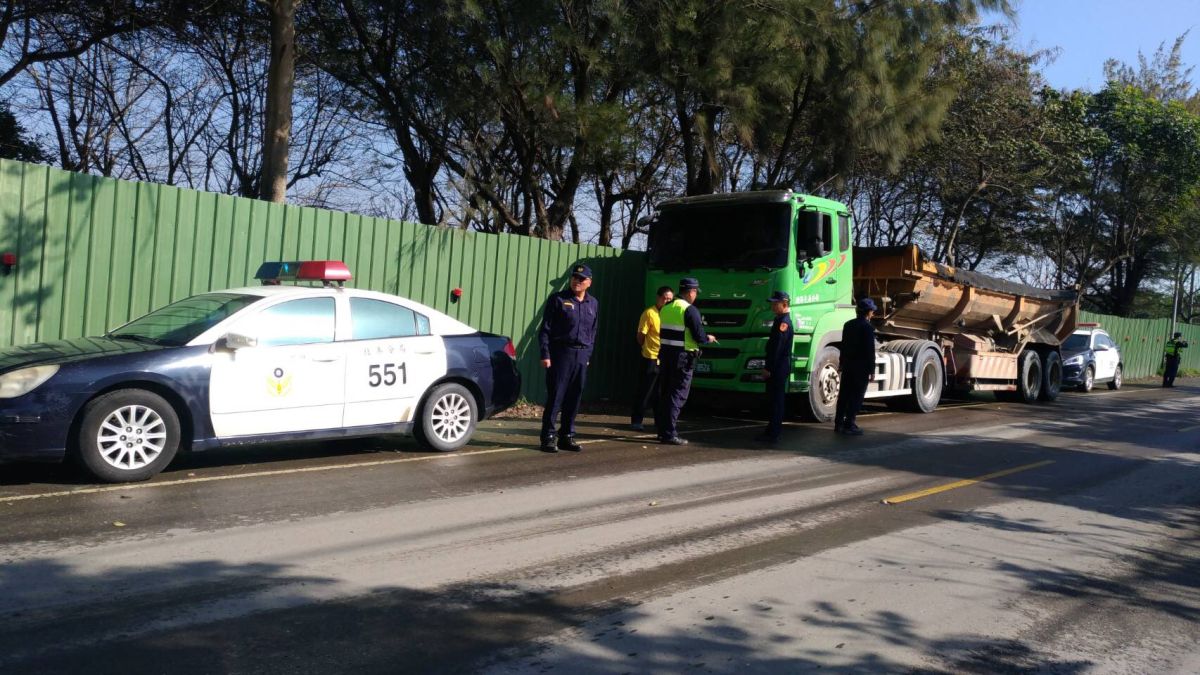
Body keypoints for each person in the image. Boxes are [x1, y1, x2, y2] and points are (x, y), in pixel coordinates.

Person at [538, 264, 599, 452]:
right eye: (574, 278)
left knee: (574, 397)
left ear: (589, 282)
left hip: (581, 355)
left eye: (581, 279)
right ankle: (548, 436)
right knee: (556, 396)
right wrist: (545, 354)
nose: (576, 282)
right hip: (561, 353)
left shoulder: (593, 303)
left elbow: (593, 332)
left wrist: (587, 355)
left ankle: (567, 435)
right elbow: (545, 330)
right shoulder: (558, 299)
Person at [655, 277, 718, 445]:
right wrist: (708, 338)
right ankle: (669, 433)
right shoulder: (690, 310)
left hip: (666, 355)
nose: (695, 295)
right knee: (677, 395)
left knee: (666, 393)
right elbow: (699, 335)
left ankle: (662, 431)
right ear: (691, 292)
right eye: (695, 292)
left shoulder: (666, 308)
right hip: (682, 358)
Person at [631, 286, 674, 431]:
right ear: (658, 298)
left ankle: (658, 420)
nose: (667, 301)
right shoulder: (649, 313)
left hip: (665, 358)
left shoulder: (671, 314)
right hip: (651, 356)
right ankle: (636, 420)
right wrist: (646, 347)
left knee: (660, 392)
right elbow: (640, 336)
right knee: (645, 390)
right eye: (664, 298)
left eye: (670, 299)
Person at [756, 291, 794, 444]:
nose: (772, 306)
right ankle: (771, 430)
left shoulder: (783, 322)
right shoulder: (780, 319)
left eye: (775, 303)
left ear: (784, 304)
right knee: (772, 400)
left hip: (777, 367)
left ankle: (773, 433)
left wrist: (768, 368)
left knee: (776, 401)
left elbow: (777, 348)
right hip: (778, 366)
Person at [834, 297, 877, 436]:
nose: (873, 314)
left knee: (844, 395)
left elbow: (843, 346)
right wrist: (872, 370)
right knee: (856, 397)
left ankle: (838, 423)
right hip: (861, 367)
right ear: (868, 312)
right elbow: (870, 351)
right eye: (872, 311)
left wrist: (841, 363)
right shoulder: (868, 328)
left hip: (848, 366)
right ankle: (849, 424)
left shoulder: (848, 325)